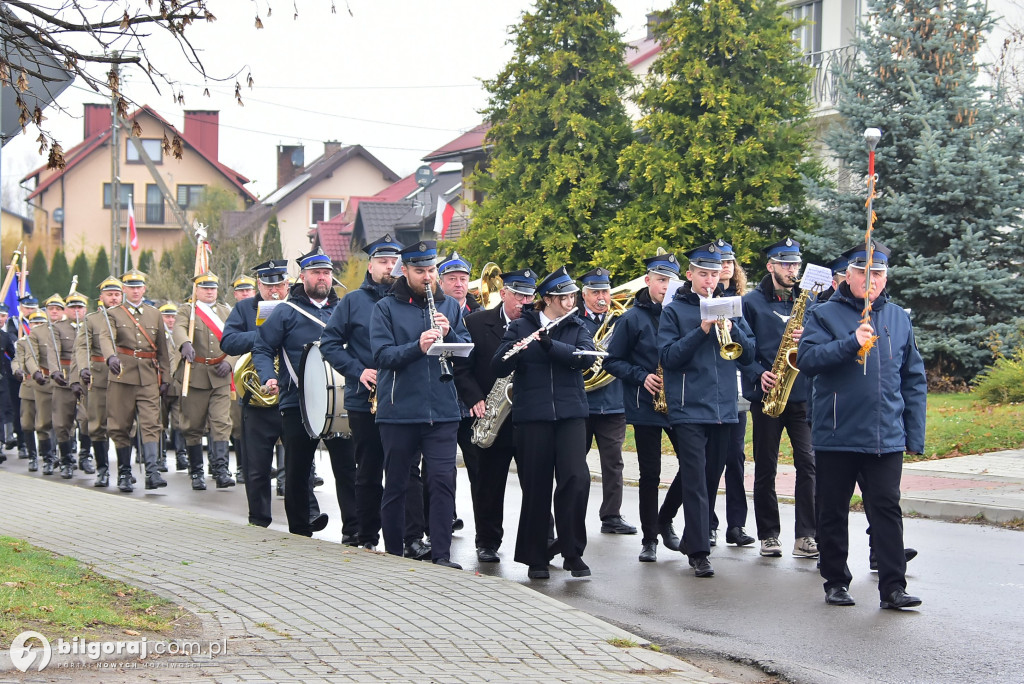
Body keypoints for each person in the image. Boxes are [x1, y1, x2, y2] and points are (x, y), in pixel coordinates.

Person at [797, 239, 926, 610]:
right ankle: (836, 581)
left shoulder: (899, 317)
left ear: (886, 278)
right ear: (849, 275)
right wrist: (851, 343)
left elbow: (912, 378)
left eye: (879, 274)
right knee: (833, 509)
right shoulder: (824, 314)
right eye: (864, 273)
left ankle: (893, 588)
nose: (872, 280)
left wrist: (912, 433)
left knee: (887, 508)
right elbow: (808, 359)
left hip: (886, 436)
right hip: (837, 433)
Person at [321, 235, 430, 554]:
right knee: (368, 470)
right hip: (364, 398)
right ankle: (366, 535)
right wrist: (358, 370)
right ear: (370, 266)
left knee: (409, 470)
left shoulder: (416, 301)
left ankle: (412, 538)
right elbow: (329, 344)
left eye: (395, 260)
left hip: (405, 398)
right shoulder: (353, 301)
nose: (390, 266)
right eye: (383, 261)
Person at [370, 240, 470, 569]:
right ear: (405, 271)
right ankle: (395, 553)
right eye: (420, 271)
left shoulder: (450, 306)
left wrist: (449, 334)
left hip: (442, 410)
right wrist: (418, 345)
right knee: (397, 483)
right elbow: (382, 356)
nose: (427, 277)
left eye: (431, 271)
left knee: (442, 481)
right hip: (399, 411)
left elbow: (465, 351)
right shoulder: (385, 308)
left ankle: (442, 555)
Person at [493, 266, 597, 580]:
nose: (570, 302)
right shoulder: (522, 325)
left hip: (570, 416)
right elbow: (498, 365)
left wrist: (552, 345)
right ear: (548, 299)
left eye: (572, 296)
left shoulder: (577, 325)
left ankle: (572, 551)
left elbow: (586, 357)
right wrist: (519, 348)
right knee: (536, 486)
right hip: (532, 418)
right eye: (564, 297)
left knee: (576, 480)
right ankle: (536, 556)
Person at [658, 243, 754, 578]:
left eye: (714, 274)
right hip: (688, 407)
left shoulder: (729, 306)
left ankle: (690, 537)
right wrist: (701, 331)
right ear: (690, 274)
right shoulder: (674, 311)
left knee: (711, 479)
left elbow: (749, 354)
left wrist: (730, 324)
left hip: (724, 407)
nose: (709, 279)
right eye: (703, 273)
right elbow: (668, 357)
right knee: (696, 480)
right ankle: (700, 552)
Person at [252, 249, 358, 541]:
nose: (322, 278)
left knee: (348, 469)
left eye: (326, 272)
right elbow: (262, 348)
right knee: (297, 470)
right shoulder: (285, 311)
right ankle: (299, 529)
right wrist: (269, 376)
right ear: (303, 276)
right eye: (316, 273)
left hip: (341, 401)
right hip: (296, 400)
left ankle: (353, 530)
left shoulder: (344, 310)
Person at [605, 253, 686, 562]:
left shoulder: (681, 313)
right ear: (648, 280)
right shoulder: (631, 318)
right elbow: (613, 361)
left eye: (671, 281)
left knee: (694, 467)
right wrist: (641, 377)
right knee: (650, 473)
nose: (666, 287)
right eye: (661, 280)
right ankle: (649, 538)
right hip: (646, 404)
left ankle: (665, 518)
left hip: (680, 403)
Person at [740, 238, 818, 559]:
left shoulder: (809, 301)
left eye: (795, 265)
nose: (792, 270)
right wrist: (759, 373)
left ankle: (806, 536)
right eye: (786, 264)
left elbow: (823, 342)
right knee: (766, 468)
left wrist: (809, 335)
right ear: (770, 266)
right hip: (769, 395)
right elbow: (741, 347)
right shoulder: (751, 302)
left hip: (802, 395)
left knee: (809, 465)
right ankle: (769, 535)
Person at [454, 267, 537, 563]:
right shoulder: (476, 323)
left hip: (530, 417)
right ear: (503, 294)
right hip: (493, 414)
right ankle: (487, 541)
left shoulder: (540, 325)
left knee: (536, 482)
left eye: (530, 296)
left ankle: (542, 538)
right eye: (519, 295)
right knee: (488, 482)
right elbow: (461, 367)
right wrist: (474, 397)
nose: (525, 302)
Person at [94, 268, 171, 492]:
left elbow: (163, 350)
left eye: (139, 287)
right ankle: (125, 473)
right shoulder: (114, 313)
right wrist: (110, 357)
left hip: (148, 376)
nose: (135, 290)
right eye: (131, 287)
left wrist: (165, 376)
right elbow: (106, 337)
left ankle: (152, 472)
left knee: (151, 424)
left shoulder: (154, 313)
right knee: (121, 425)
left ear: (144, 289)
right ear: (124, 290)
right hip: (122, 375)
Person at [576, 267, 636, 536]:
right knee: (575, 462)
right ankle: (572, 511)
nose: (602, 297)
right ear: (584, 294)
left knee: (613, 462)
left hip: (613, 402)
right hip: (581, 403)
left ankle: (611, 515)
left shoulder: (621, 320)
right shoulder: (574, 320)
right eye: (596, 292)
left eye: (605, 291)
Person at [709, 239, 754, 548]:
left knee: (735, 459)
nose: (725, 266)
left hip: (735, 393)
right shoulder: (702, 299)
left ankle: (736, 525)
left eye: (729, 262)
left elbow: (748, 348)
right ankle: (707, 523)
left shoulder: (740, 301)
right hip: (709, 389)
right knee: (710, 461)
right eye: (719, 262)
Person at [174, 272, 236, 489]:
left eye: (213, 288)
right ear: (196, 290)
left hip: (220, 375)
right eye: (205, 288)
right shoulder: (187, 310)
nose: (210, 292)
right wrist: (184, 344)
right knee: (193, 425)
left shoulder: (226, 311)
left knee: (221, 423)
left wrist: (230, 361)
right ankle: (196, 471)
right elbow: (178, 328)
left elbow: (236, 338)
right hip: (195, 374)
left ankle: (221, 471)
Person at [436, 250, 481, 534]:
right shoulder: (433, 310)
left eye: (463, 278)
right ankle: (445, 517)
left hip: (472, 404)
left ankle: (484, 528)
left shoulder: (480, 314)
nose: (458, 284)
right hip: (442, 397)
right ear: (441, 282)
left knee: (478, 467)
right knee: (440, 468)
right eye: (452, 278)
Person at [72, 277, 123, 487]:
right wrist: (84, 368)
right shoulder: (92, 320)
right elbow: (82, 347)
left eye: (117, 294)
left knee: (123, 426)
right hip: (99, 377)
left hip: (124, 377)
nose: (113, 298)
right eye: (109, 294)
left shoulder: (130, 317)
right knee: (97, 425)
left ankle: (124, 471)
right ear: (101, 297)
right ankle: (103, 470)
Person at [44, 292, 89, 479]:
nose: (76, 311)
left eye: (80, 307)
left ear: (85, 309)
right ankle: (66, 461)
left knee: (87, 420)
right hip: (64, 380)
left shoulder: (91, 327)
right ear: (66, 310)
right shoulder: (57, 328)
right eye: (72, 307)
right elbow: (52, 352)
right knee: (63, 423)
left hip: (87, 380)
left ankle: (85, 455)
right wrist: (55, 372)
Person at [27, 295, 62, 475]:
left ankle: (66, 459)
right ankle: (48, 458)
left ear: (63, 311)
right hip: (45, 380)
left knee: (66, 423)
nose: (54, 311)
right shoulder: (37, 332)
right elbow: (30, 356)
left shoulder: (71, 330)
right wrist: (35, 372)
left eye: (58, 308)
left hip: (65, 382)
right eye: (51, 309)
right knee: (43, 423)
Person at [12, 309, 47, 471]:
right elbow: (17, 359)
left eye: (41, 323)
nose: (37, 326)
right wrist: (17, 369)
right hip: (28, 387)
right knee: (27, 423)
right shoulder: (23, 342)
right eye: (34, 323)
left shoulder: (51, 340)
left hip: (46, 386)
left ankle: (48, 456)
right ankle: (33, 456)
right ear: (29, 324)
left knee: (45, 424)